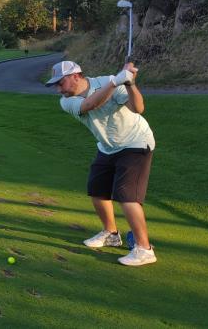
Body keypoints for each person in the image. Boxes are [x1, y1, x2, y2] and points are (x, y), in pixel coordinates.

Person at [45, 60, 157, 266]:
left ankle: (144, 249)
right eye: (55, 85)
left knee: (126, 196)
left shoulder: (108, 81)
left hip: (136, 142)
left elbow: (139, 108)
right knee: (97, 191)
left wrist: (130, 84)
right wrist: (115, 82)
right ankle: (111, 234)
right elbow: (90, 105)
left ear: (75, 76)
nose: (58, 89)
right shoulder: (66, 101)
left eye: (60, 83)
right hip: (107, 146)